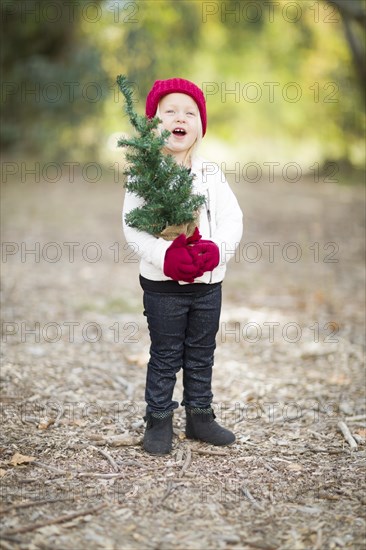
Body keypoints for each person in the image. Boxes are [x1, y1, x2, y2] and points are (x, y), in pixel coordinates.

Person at [122, 78, 243, 455]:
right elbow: (132, 229)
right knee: (166, 353)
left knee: (202, 350)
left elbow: (232, 219)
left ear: (199, 127)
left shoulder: (210, 175)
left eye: (189, 112)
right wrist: (165, 256)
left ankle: (200, 417)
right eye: (170, 111)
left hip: (208, 284)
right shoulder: (144, 175)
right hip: (163, 286)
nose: (180, 117)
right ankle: (158, 420)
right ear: (154, 124)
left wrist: (216, 251)